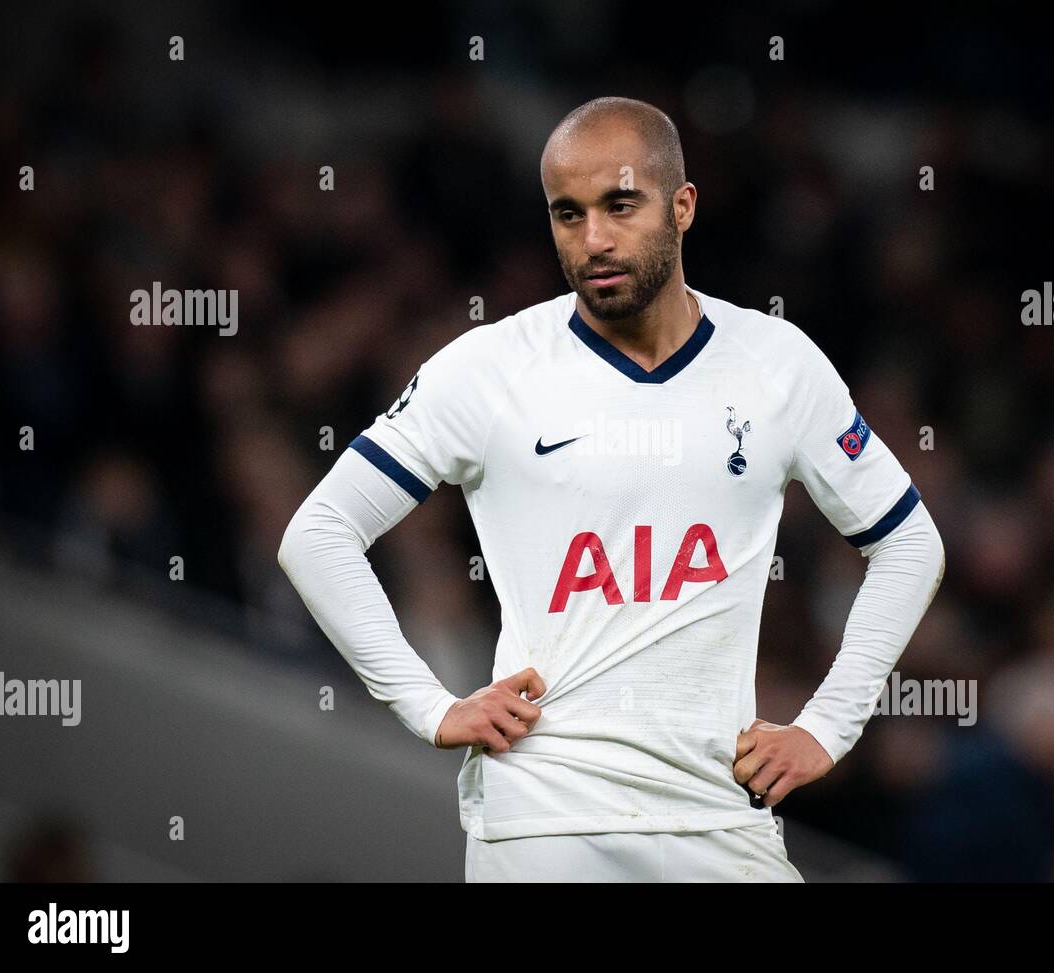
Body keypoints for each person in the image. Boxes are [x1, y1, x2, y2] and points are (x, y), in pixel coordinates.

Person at [278, 96, 945, 882]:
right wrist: (429, 705)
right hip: (543, 818)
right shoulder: (489, 369)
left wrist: (828, 726)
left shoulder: (776, 363)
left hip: (717, 811)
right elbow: (318, 534)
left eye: (620, 205)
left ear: (682, 206)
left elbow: (909, 542)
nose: (593, 238)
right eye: (568, 213)